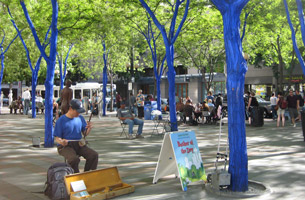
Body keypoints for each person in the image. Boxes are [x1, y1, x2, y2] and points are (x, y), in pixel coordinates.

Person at [54, 99, 98, 173]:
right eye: (77, 111)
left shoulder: (80, 118)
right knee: (74, 159)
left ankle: (88, 174)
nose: (79, 114)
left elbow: (85, 133)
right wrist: (62, 142)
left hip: (79, 144)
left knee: (93, 155)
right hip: (65, 146)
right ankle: (75, 176)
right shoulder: (61, 120)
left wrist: (89, 128)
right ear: (71, 109)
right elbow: (57, 138)